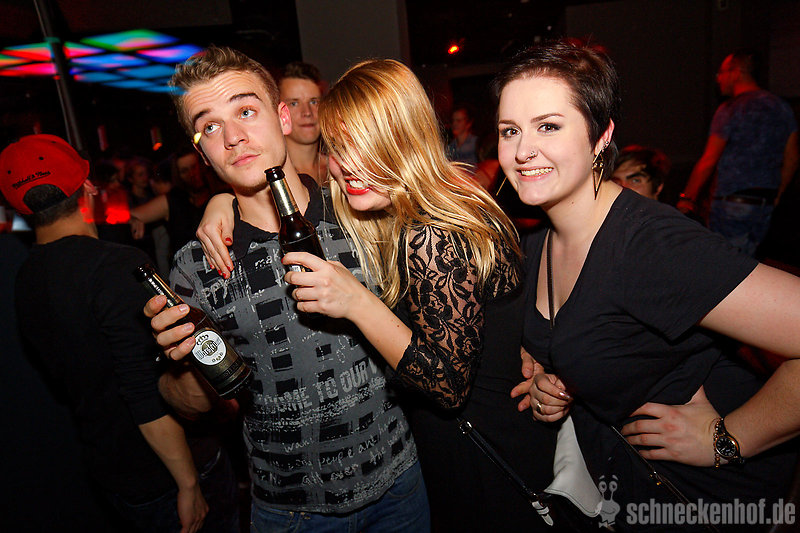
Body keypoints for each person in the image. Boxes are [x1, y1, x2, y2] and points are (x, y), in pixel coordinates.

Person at [196, 58, 561, 532]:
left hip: (484, 455)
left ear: (403, 140)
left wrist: (357, 302)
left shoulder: (430, 233)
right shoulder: (406, 212)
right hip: (464, 448)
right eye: (338, 147)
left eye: (367, 145)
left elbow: (448, 387)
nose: (349, 166)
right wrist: (222, 201)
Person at [494, 39, 800, 532]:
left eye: (548, 126)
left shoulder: (650, 246)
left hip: (705, 501)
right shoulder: (540, 242)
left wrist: (728, 439)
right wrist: (559, 381)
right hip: (630, 494)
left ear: (601, 136)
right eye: (510, 130)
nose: (523, 150)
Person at [144, 46, 427, 532]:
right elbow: (201, 408)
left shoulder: (360, 212)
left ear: (283, 118)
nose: (233, 137)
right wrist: (185, 363)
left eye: (245, 111)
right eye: (210, 126)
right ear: (202, 152)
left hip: (398, 487)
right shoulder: (197, 265)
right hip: (291, 512)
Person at [0, 134, 239, 533]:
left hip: (112, 470)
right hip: (170, 471)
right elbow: (142, 389)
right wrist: (187, 484)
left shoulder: (25, 280)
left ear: (18, 207)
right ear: (89, 188)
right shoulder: (116, 266)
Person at [678, 49, 799, 256]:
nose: (718, 79)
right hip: (764, 203)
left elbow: (709, 159)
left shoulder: (730, 109)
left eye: (721, 73)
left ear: (736, 73)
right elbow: (793, 156)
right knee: (748, 261)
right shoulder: (782, 107)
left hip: (732, 202)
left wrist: (687, 198)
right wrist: (777, 193)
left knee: (723, 263)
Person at [279, 61, 328, 186]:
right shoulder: (273, 177)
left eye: (314, 102)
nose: (307, 112)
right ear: (279, 112)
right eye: (294, 103)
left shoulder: (340, 169)